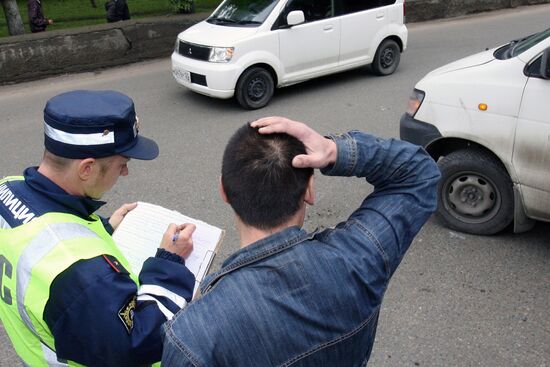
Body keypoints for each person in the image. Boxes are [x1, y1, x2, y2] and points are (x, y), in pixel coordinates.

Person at [162, 117, 441, 366]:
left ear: (224, 190)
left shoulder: (192, 337)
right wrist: (333, 150)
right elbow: (420, 173)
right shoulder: (361, 257)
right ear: (309, 189)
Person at [0, 90, 196, 367]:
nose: (125, 172)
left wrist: (104, 227)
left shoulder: (8, 190)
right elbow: (137, 346)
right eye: (122, 164)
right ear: (86, 168)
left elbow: (41, 239)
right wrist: (170, 265)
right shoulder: (81, 277)